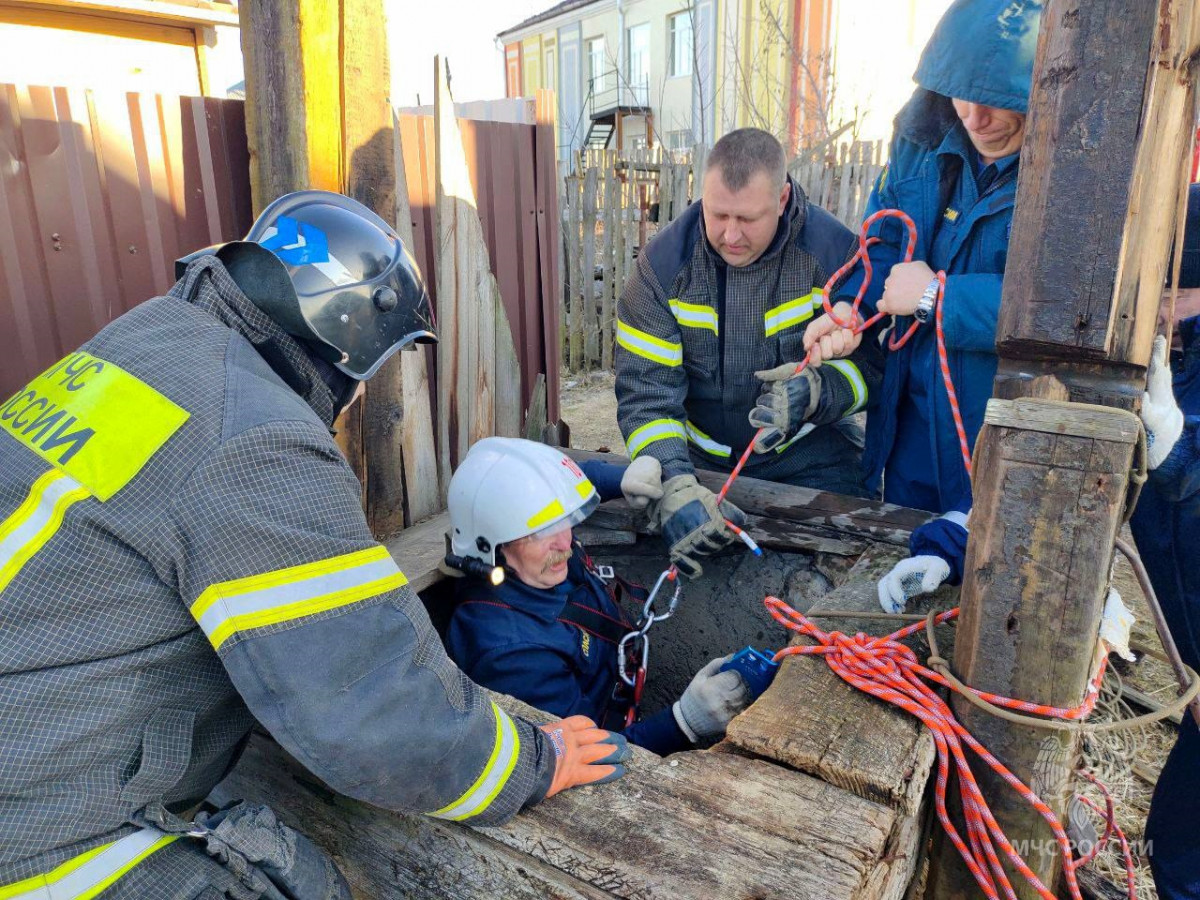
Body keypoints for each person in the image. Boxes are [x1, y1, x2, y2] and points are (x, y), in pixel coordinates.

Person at [0, 191, 628, 899]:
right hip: (39, 825)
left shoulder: (144, 339)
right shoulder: (254, 435)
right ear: (348, 341)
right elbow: (367, 702)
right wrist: (528, 761)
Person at [800, 0, 1042, 611]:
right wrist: (853, 309)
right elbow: (884, 242)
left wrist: (941, 297)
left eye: (995, 99)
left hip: (1000, 424)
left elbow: (1067, 307)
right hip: (911, 418)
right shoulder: (921, 140)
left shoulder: (1069, 171)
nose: (975, 116)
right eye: (962, 95)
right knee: (908, 577)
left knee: (995, 586)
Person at [615, 127, 882, 579]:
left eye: (748, 219)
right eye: (717, 214)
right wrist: (675, 482)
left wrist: (818, 391)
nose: (730, 234)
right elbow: (646, 396)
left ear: (781, 200)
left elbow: (877, 368)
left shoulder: (837, 257)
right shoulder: (661, 270)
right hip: (697, 463)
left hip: (812, 456)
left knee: (853, 568)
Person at [442, 438, 752, 755]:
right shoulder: (514, 657)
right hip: (606, 738)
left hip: (616, 682)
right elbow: (589, 755)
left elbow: (569, 481)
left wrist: (620, 479)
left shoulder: (532, 563)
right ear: (492, 547)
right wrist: (685, 720)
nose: (565, 542)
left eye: (565, 519)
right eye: (540, 532)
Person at [1131, 185, 1200, 900]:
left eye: (1174, 291)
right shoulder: (1164, 363)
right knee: (1174, 849)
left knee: (1181, 858)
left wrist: (1175, 459)